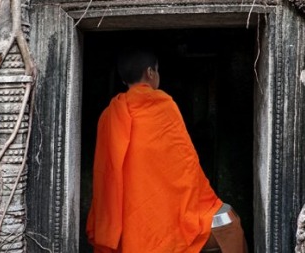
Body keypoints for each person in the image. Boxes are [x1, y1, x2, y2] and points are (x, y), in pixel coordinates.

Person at [87, 50, 246, 253]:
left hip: (121, 228)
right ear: (151, 72)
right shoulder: (162, 105)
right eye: (158, 71)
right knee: (230, 224)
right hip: (167, 222)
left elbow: (104, 175)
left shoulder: (108, 116)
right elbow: (185, 167)